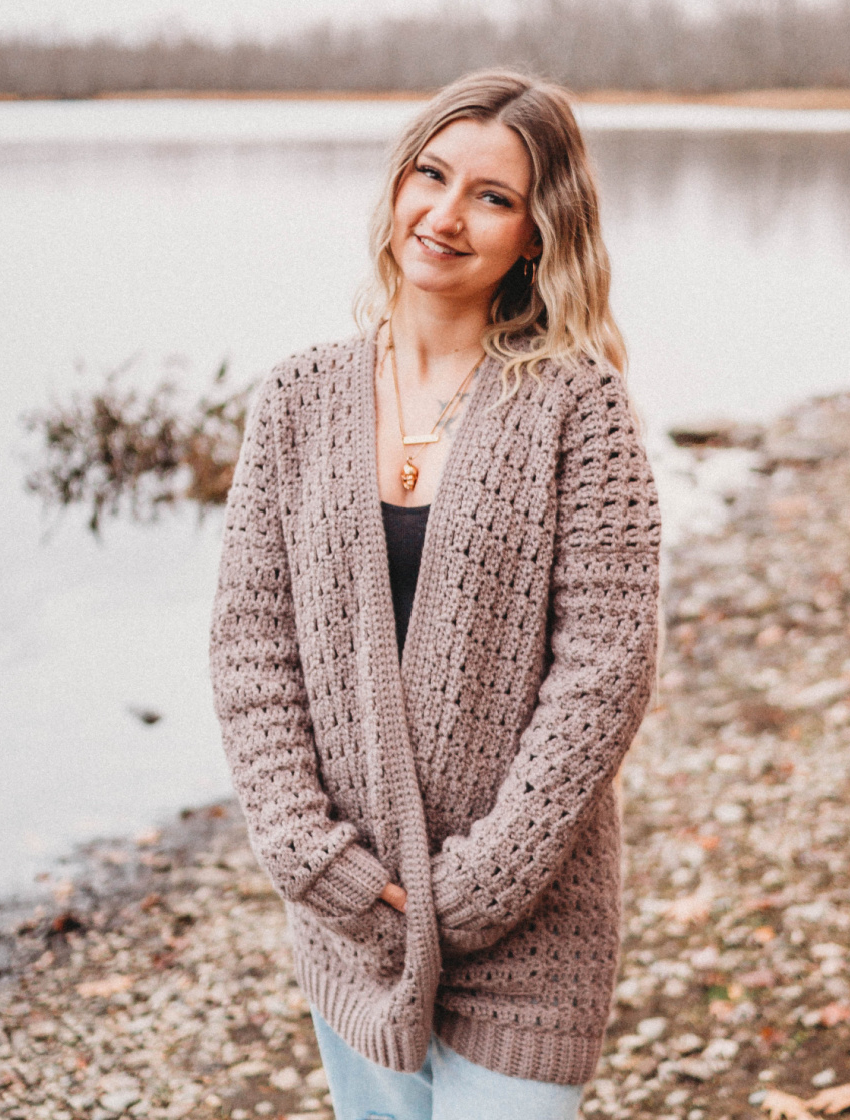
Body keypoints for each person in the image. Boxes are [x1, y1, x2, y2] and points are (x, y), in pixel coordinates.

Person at [210, 68, 660, 1120]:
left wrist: (478, 885)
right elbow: (249, 648)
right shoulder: (298, 399)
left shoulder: (578, 407)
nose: (447, 216)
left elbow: (605, 670)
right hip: (349, 919)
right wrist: (315, 860)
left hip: (528, 926)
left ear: (538, 235)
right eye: (432, 175)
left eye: (492, 198)